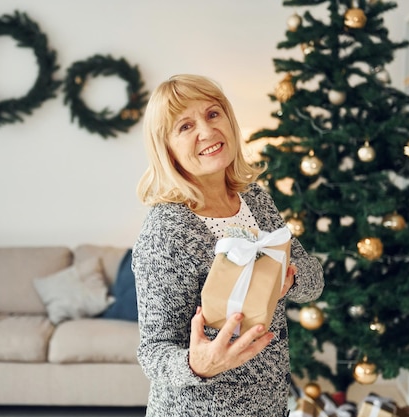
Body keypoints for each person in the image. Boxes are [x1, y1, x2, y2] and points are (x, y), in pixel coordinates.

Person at [132, 74, 324, 417]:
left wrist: (289, 279)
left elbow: (313, 282)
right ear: (168, 149)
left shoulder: (256, 201)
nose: (206, 132)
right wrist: (199, 365)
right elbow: (153, 352)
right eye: (185, 126)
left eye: (212, 114)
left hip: (269, 406)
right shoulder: (165, 232)